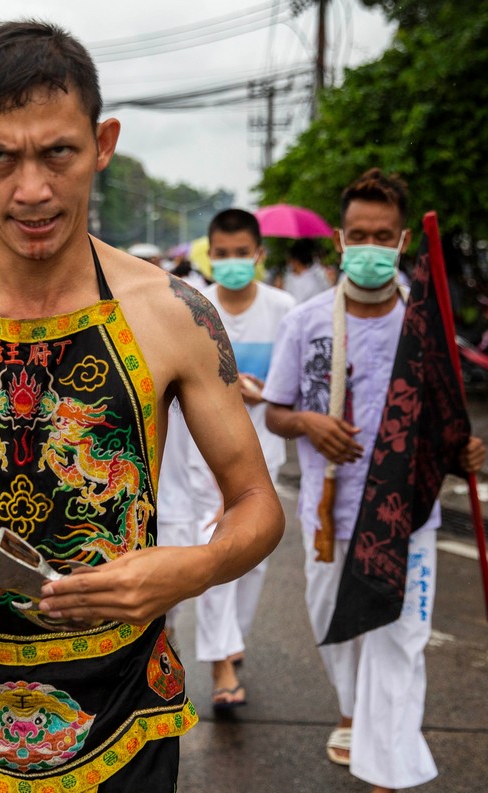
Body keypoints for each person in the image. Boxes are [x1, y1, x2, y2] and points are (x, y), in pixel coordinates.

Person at [0, 20, 284, 792]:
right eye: (0, 157)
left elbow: (256, 503)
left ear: (102, 142)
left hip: (126, 711)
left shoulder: (173, 313)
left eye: (58, 152)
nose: (33, 189)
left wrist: (187, 569)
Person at [264, 168, 485, 793]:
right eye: (358, 234)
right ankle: (352, 713)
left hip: (407, 515)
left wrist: (465, 451)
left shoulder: (429, 324)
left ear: (404, 240)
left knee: (400, 639)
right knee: (336, 627)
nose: (369, 246)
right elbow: (277, 411)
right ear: (339, 239)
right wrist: (310, 422)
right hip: (329, 516)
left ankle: (387, 765)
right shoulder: (305, 322)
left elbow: (450, 420)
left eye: (381, 235)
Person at [188, 208, 297, 710]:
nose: (231, 263)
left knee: (252, 558)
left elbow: (295, 389)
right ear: (211, 256)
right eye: (222, 254)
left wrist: (264, 395)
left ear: (259, 255)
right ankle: (220, 666)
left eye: (241, 254)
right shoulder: (193, 308)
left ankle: (233, 642)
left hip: (262, 453)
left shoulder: (285, 310)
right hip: (202, 455)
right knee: (213, 549)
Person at [283, 238, 330, 304]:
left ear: (296, 261)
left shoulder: (312, 279)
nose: (289, 264)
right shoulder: (291, 277)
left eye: (290, 260)